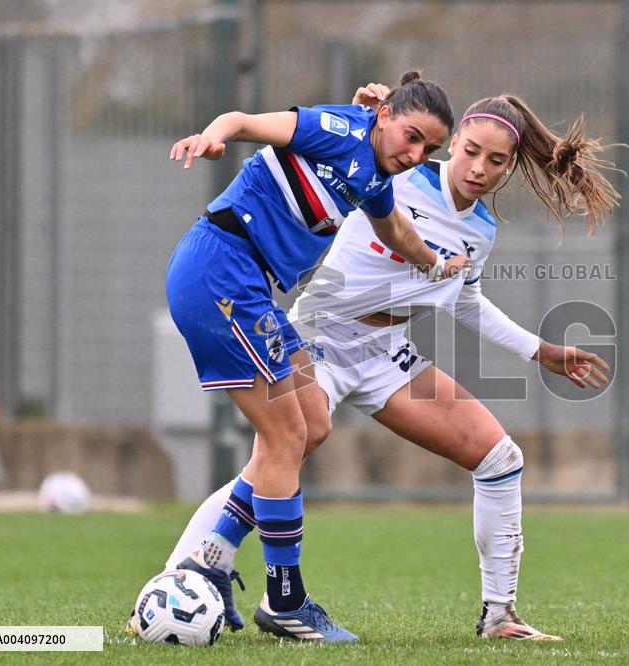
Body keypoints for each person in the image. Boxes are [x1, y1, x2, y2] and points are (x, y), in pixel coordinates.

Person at [155, 83, 621, 642]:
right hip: (321, 335)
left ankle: (500, 616)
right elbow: (356, 140)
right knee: (284, 445)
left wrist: (538, 349)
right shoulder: (396, 170)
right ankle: (181, 580)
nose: (478, 167)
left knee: (500, 458)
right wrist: (360, 107)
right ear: (456, 143)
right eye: (471, 150)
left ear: (510, 167)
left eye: (496, 161)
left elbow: (465, 300)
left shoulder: (480, 229)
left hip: (385, 355)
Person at [161, 71, 466, 644]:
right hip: (220, 272)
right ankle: (285, 602)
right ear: (384, 116)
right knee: (284, 435)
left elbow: (396, 230)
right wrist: (213, 137)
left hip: (247, 285)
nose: (416, 155)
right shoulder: (337, 129)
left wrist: (435, 264)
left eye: (429, 149)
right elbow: (245, 121)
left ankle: (209, 559)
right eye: (412, 137)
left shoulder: (375, 172)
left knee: (312, 423)